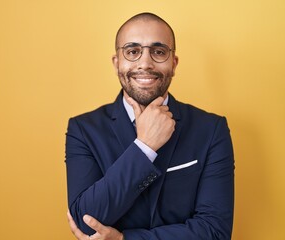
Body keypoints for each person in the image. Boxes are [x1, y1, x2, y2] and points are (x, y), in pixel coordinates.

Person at [65, 12, 234, 240]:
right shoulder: (83, 130)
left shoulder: (212, 129)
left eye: (159, 51)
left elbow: (215, 231)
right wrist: (144, 146)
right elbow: (84, 222)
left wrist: (125, 239)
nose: (145, 63)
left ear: (173, 64)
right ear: (117, 63)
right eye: (132, 51)